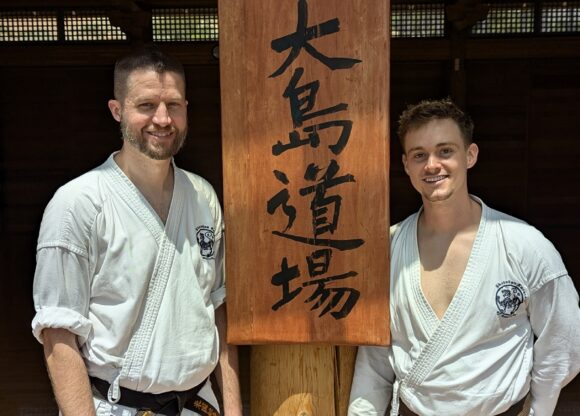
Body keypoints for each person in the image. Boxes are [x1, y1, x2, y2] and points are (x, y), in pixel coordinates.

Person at [31, 45, 243, 416]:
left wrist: (234, 410)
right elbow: (58, 332)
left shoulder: (203, 196)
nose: (162, 119)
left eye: (173, 105)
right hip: (116, 406)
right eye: (146, 106)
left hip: (198, 403)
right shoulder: (78, 203)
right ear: (117, 110)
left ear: (186, 110)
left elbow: (218, 310)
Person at [348, 99, 580, 416]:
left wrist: (540, 409)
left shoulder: (524, 245)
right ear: (405, 165)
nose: (432, 165)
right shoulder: (388, 248)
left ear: (470, 155)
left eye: (445, 151)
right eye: (419, 155)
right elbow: (376, 356)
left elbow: (563, 343)